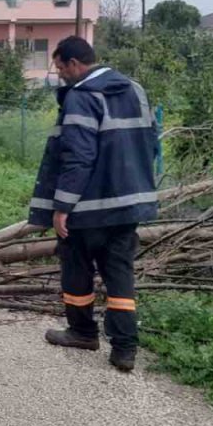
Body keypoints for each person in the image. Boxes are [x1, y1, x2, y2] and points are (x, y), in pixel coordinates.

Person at [29, 36, 158, 372]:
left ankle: (83, 332)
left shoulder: (81, 97)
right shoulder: (135, 89)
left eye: (60, 68)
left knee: (77, 269)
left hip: (88, 209)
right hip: (129, 205)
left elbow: (78, 157)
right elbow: (151, 143)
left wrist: (62, 207)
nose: (60, 75)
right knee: (120, 275)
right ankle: (125, 349)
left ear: (74, 64)